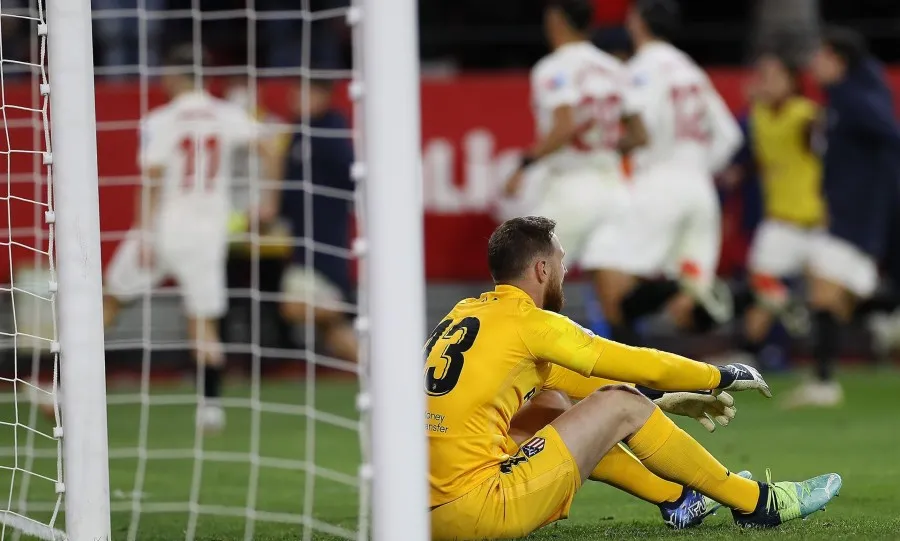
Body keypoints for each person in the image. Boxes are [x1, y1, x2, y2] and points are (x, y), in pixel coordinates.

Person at [427, 216, 841, 540]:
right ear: (540, 269)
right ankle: (758, 504)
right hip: (480, 508)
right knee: (620, 402)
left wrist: (662, 400)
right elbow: (637, 366)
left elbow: (570, 385)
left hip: (418, 518)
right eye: (561, 263)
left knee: (550, 405)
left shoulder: (466, 314)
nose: (565, 272)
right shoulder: (532, 323)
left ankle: (679, 500)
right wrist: (716, 376)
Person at [103, 45, 277, 432]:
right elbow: (270, 145)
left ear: (174, 77)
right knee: (202, 321)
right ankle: (210, 406)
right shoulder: (228, 115)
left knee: (111, 299)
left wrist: (145, 235)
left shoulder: (160, 120)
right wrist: (266, 202)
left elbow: (150, 180)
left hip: (165, 224)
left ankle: (65, 383)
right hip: (207, 230)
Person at [597, 0, 743, 345]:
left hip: (659, 183)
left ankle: (628, 381)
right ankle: (690, 372)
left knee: (609, 277)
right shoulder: (691, 70)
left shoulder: (643, 68)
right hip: (699, 187)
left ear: (638, 24)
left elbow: (639, 128)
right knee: (686, 301)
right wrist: (695, 166)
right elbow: (730, 136)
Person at [794, 27, 900, 407]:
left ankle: (825, 382)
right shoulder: (843, 97)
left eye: (819, 56)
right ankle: (886, 319)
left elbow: (891, 136)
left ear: (838, 59)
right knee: (833, 295)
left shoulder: (855, 100)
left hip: (858, 214)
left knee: (824, 288)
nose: (812, 64)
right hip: (848, 211)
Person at [503, 0, 634, 280]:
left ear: (556, 20)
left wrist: (524, 165)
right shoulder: (615, 67)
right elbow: (637, 133)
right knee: (612, 283)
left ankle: (538, 327)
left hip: (572, 186)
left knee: (526, 273)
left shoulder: (553, 67)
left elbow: (565, 126)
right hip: (614, 186)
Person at [729, 51, 823, 364]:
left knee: (830, 297)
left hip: (817, 222)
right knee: (762, 291)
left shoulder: (806, 115)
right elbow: (746, 157)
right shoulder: (757, 117)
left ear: (791, 82)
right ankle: (749, 356)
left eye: (772, 77)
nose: (764, 84)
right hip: (779, 221)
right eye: (761, 76)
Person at [278, 79, 358, 364]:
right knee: (336, 336)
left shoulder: (331, 130)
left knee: (291, 307)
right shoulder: (300, 132)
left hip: (325, 246)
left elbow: (351, 178)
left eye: (302, 92)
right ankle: (397, 382)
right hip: (304, 242)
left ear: (322, 95)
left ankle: (351, 308)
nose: (294, 97)